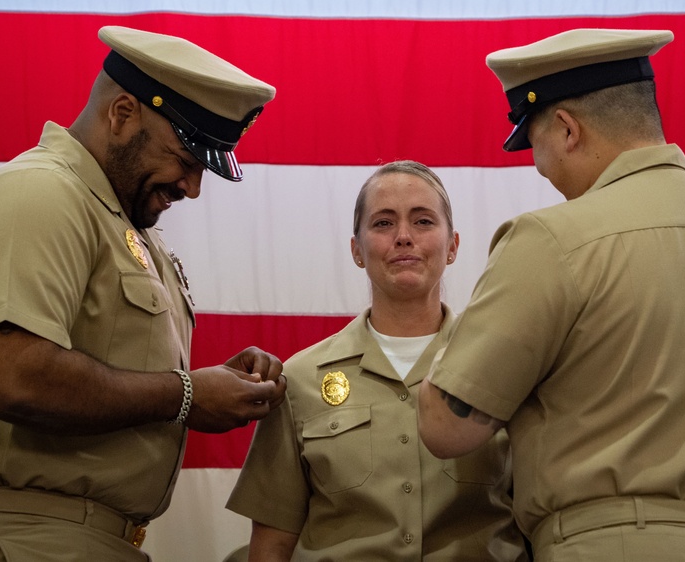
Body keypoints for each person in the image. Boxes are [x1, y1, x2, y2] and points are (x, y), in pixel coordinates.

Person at [418, 29, 685, 562]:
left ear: (566, 129)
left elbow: (447, 425)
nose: (541, 169)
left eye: (534, 147)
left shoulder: (552, 241)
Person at [0, 25, 288, 562]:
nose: (192, 187)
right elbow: (10, 376)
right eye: (187, 158)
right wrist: (188, 394)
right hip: (16, 541)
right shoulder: (37, 193)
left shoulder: (120, 222)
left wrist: (208, 386)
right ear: (122, 114)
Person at [226, 160, 527, 561]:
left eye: (422, 221)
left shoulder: (505, 369)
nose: (403, 237)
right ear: (356, 250)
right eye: (383, 223)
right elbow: (272, 542)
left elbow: (539, 517)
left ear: (452, 246)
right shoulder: (301, 380)